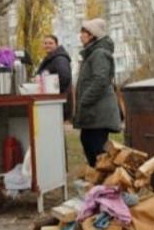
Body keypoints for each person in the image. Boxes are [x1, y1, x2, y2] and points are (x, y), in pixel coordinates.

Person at [73, 18, 121, 167]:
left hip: (98, 111)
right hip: (94, 111)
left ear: (92, 35)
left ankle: (106, 185)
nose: (80, 36)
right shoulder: (92, 54)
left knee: (97, 149)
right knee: (87, 141)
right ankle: (99, 182)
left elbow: (100, 80)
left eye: (83, 33)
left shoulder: (99, 53)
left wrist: (84, 100)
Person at [36, 35, 73, 121]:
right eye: (45, 43)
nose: (47, 45)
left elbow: (64, 78)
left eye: (50, 43)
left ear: (56, 45)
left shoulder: (60, 59)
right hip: (52, 101)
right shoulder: (50, 59)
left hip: (58, 101)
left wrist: (54, 92)